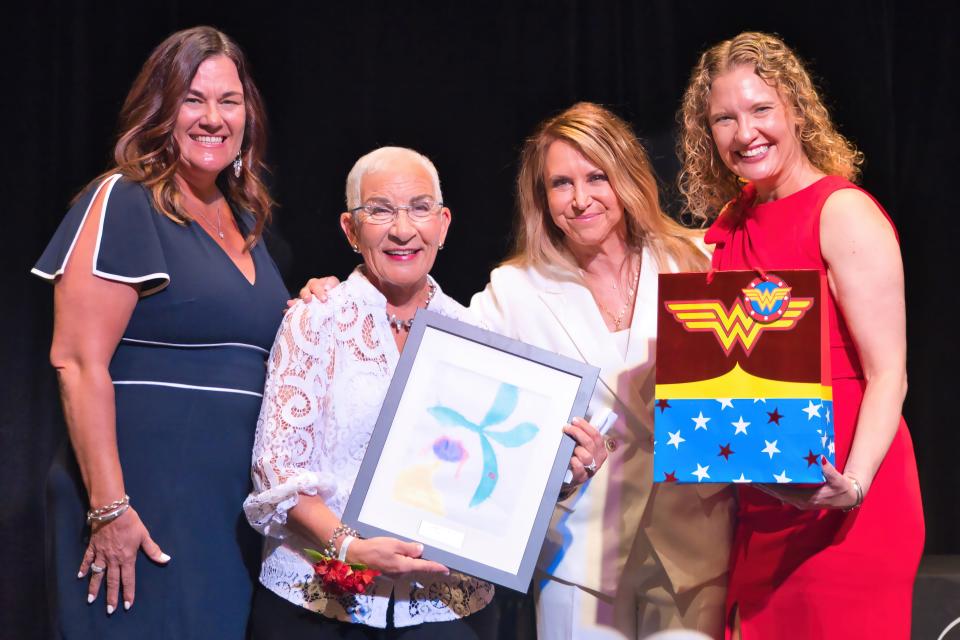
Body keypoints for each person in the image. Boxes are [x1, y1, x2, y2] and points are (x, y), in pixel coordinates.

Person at [301, 104, 736, 639]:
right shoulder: (514, 292)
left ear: (627, 175)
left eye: (596, 176)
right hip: (581, 556)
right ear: (541, 197)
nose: (580, 198)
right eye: (560, 183)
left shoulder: (700, 260)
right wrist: (342, 295)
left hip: (692, 546)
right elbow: (430, 355)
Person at [243, 146, 607, 639]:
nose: (402, 229)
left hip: (443, 610)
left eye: (419, 208)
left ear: (443, 224)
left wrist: (562, 474)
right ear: (351, 229)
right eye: (380, 210)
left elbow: (496, 469)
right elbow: (277, 469)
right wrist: (352, 548)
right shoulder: (315, 320)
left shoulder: (476, 333)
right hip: (319, 604)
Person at [32, 27, 288, 638]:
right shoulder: (123, 200)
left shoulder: (247, 219)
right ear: (160, 110)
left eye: (229, 101)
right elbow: (77, 361)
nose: (213, 118)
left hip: (225, 512)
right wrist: (110, 508)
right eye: (192, 99)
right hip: (141, 507)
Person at [677, 31, 924, 638]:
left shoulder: (842, 212)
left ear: (797, 110)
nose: (745, 132)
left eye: (761, 109)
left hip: (847, 504)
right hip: (765, 501)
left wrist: (855, 483)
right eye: (724, 119)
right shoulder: (732, 221)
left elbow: (890, 371)